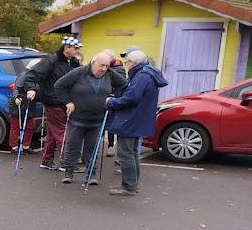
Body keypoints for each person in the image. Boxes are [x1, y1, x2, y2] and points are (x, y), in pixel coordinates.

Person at [53, 51, 127, 185]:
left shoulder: (110, 75)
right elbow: (59, 85)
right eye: (102, 65)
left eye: (107, 66)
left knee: (93, 148)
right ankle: (68, 172)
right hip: (77, 118)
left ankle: (90, 174)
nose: (104, 69)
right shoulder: (79, 72)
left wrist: (114, 98)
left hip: (97, 120)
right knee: (72, 147)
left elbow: (124, 85)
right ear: (93, 63)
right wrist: (67, 102)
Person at [105, 47, 168, 196]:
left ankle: (129, 186)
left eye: (127, 62)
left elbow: (131, 98)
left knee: (125, 154)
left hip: (131, 120)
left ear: (133, 62)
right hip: (138, 119)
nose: (126, 64)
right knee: (132, 153)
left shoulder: (141, 76)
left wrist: (112, 102)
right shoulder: (147, 73)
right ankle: (132, 184)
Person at [22, 36, 82, 169]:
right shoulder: (51, 60)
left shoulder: (72, 62)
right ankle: (67, 162)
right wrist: (31, 88)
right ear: (66, 48)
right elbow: (32, 75)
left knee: (53, 132)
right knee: (63, 132)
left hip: (64, 101)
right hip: (53, 101)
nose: (77, 50)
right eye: (75, 48)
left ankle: (47, 160)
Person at [9, 58, 42, 155]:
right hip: (19, 104)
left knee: (30, 126)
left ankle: (26, 146)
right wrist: (16, 97)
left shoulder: (37, 77)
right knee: (15, 126)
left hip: (30, 104)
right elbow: (16, 88)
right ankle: (14, 147)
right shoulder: (24, 75)